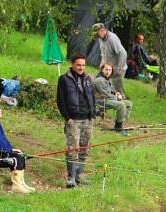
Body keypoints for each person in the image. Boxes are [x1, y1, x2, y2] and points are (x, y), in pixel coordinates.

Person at [57, 53, 97, 188]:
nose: (81, 68)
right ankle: (71, 177)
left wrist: (93, 115)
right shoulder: (64, 79)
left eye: (83, 65)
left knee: (85, 148)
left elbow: (92, 97)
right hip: (73, 120)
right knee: (72, 148)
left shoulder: (89, 78)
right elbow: (60, 100)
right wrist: (67, 118)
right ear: (72, 64)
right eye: (79, 65)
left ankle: (80, 175)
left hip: (88, 119)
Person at [95, 63, 133, 136]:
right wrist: (117, 98)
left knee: (128, 104)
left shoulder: (108, 79)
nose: (108, 71)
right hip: (101, 101)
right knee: (121, 105)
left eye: (110, 70)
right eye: (106, 69)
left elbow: (112, 90)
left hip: (109, 100)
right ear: (102, 70)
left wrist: (117, 93)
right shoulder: (99, 80)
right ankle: (118, 128)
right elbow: (105, 94)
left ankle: (121, 123)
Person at [93, 23, 128, 98]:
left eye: (101, 31)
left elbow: (123, 53)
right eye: (97, 32)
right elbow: (103, 53)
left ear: (105, 30)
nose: (99, 33)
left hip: (117, 68)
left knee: (118, 91)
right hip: (108, 68)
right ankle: (101, 103)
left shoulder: (112, 38)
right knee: (98, 82)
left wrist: (119, 68)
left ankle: (125, 105)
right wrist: (102, 63)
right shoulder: (101, 39)